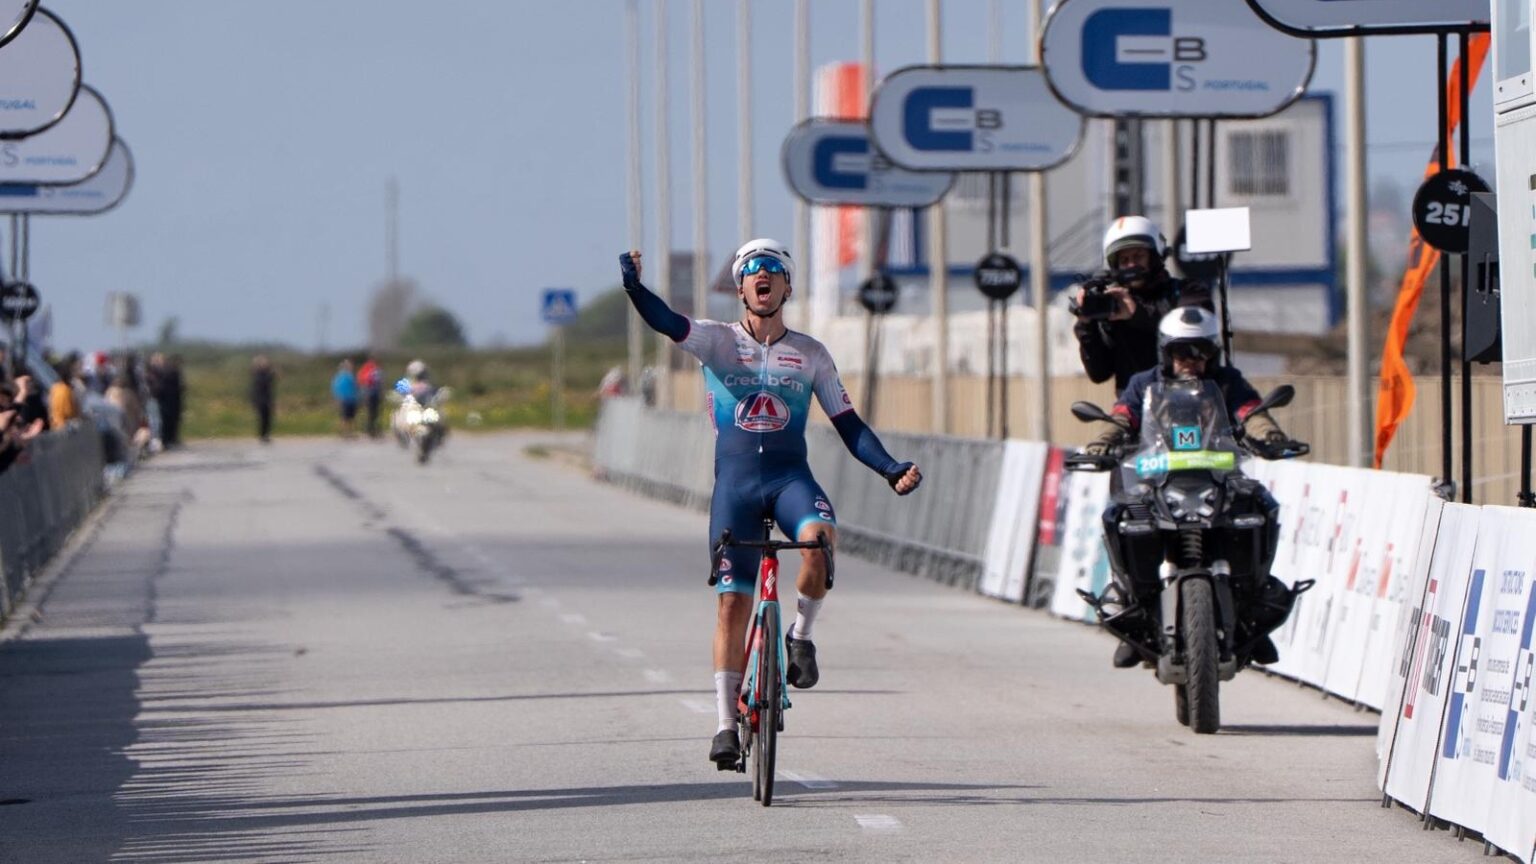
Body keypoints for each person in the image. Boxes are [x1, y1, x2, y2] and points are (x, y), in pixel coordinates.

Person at [620, 239, 923, 769]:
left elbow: (849, 426)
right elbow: (667, 321)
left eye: (774, 270)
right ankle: (723, 726)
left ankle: (800, 637)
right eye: (751, 270)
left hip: (789, 480)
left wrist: (890, 468)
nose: (763, 276)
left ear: (787, 286)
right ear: (740, 287)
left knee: (819, 543)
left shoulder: (810, 354)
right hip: (735, 486)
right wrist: (633, 287)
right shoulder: (716, 341)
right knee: (732, 603)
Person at [1084, 307, 1299, 669]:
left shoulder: (1228, 382)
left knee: (1260, 508)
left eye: (1201, 352)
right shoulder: (1143, 383)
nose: (1192, 361)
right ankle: (1134, 608)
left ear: (1213, 353)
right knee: (1122, 518)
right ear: (1165, 352)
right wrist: (1103, 443)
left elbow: (1250, 412)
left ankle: (1251, 611)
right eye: (1183, 352)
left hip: (1217, 479)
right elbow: (1123, 416)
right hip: (1156, 482)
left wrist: (1271, 436)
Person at [1072, 216, 1210, 395]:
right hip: (1136, 410)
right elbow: (1099, 373)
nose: (1131, 265)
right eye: (1124, 260)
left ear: (1154, 257)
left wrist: (1137, 313)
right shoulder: (1112, 306)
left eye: (1138, 256)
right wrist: (1086, 325)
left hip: (1189, 398)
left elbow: (1193, 331)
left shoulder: (1188, 291)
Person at [48, 353, 80, 430]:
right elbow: (63, 415)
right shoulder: (62, 391)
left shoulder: (59, 388)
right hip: (64, 431)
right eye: (74, 369)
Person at [250, 355, 276, 443]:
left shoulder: (267, 373)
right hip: (261, 399)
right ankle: (262, 435)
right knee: (262, 418)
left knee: (268, 418)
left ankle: (266, 435)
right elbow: (261, 384)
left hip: (267, 399)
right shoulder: (258, 374)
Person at [331, 359, 359, 439]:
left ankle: (350, 432)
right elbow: (335, 388)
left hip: (352, 399)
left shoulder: (351, 376)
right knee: (345, 417)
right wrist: (337, 397)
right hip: (344, 399)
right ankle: (345, 432)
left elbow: (355, 387)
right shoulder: (340, 377)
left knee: (351, 417)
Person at [358, 354, 383, 438]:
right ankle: (372, 429)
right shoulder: (375, 369)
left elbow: (360, 380)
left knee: (371, 413)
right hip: (373, 394)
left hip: (368, 394)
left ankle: (370, 429)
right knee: (374, 413)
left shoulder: (365, 369)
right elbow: (380, 382)